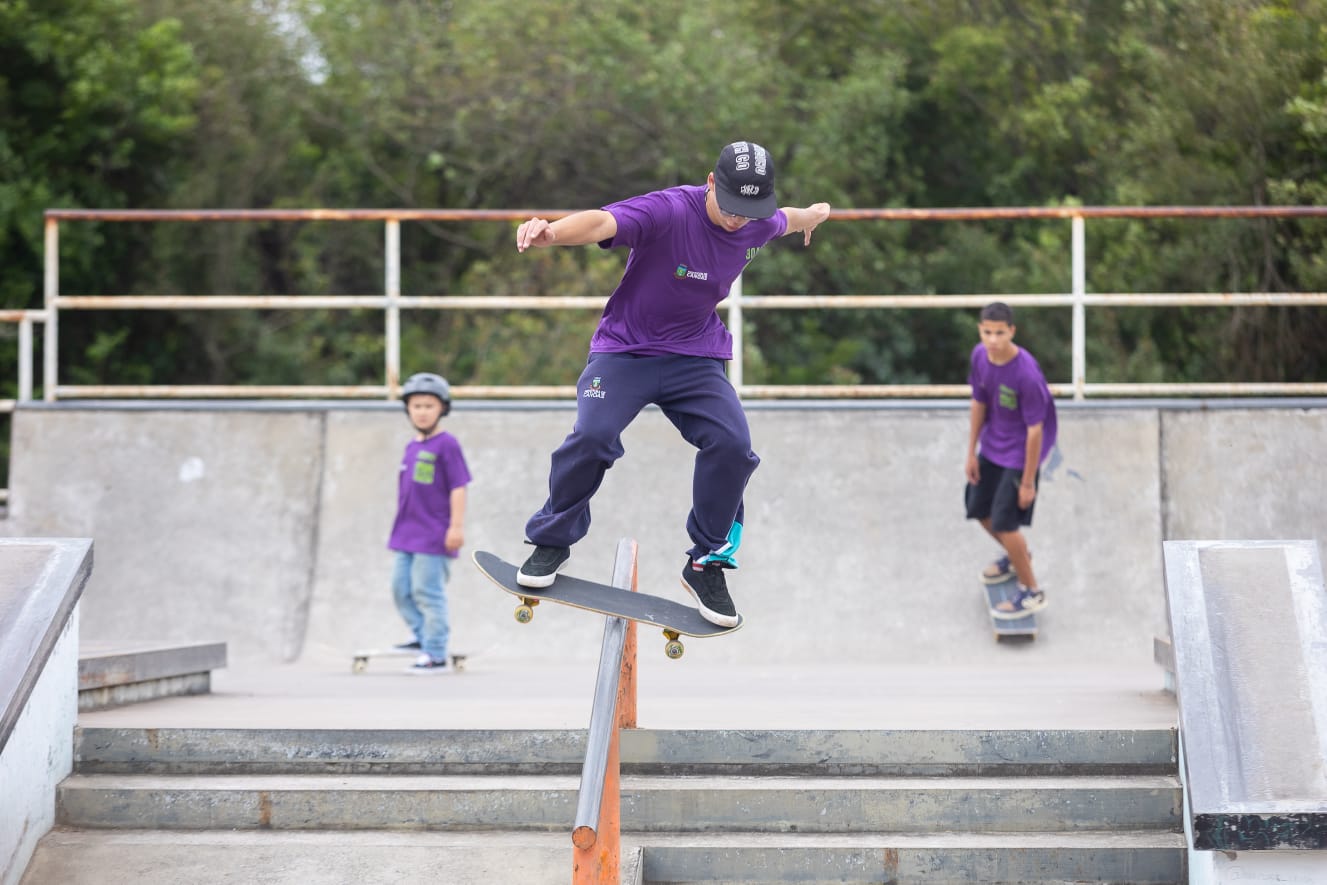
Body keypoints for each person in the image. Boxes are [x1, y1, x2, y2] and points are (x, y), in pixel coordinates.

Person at [511, 140, 832, 627]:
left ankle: (707, 562)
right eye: (729, 209)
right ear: (709, 183)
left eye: (748, 213)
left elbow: (789, 217)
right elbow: (602, 222)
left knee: (733, 446)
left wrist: (814, 215)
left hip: (696, 357)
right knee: (593, 437)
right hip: (625, 351)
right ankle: (552, 540)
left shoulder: (758, 221)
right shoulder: (666, 211)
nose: (737, 222)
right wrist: (550, 233)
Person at [964, 301, 1058, 618]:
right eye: (987, 333)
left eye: (1000, 333)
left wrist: (1028, 482)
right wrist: (970, 452)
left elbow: (1035, 431)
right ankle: (1017, 555)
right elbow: (978, 401)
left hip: (1021, 453)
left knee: (1005, 521)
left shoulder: (1026, 374)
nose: (993, 340)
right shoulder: (980, 356)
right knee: (977, 508)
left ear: (1012, 332)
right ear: (980, 330)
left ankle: (1032, 591)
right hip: (992, 446)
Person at [388, 372, 471, 674]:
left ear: (442, 409)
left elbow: (458, 486)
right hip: (406, 533)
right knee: (400, 589)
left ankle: (435, 652)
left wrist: (456, 526)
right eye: (416, 406)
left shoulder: (447, 445)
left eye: (429, 406)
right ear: (408, 409)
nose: (422, 411)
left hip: (434, 534)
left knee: (427, 591)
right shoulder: (411, 446)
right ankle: (421, 635)